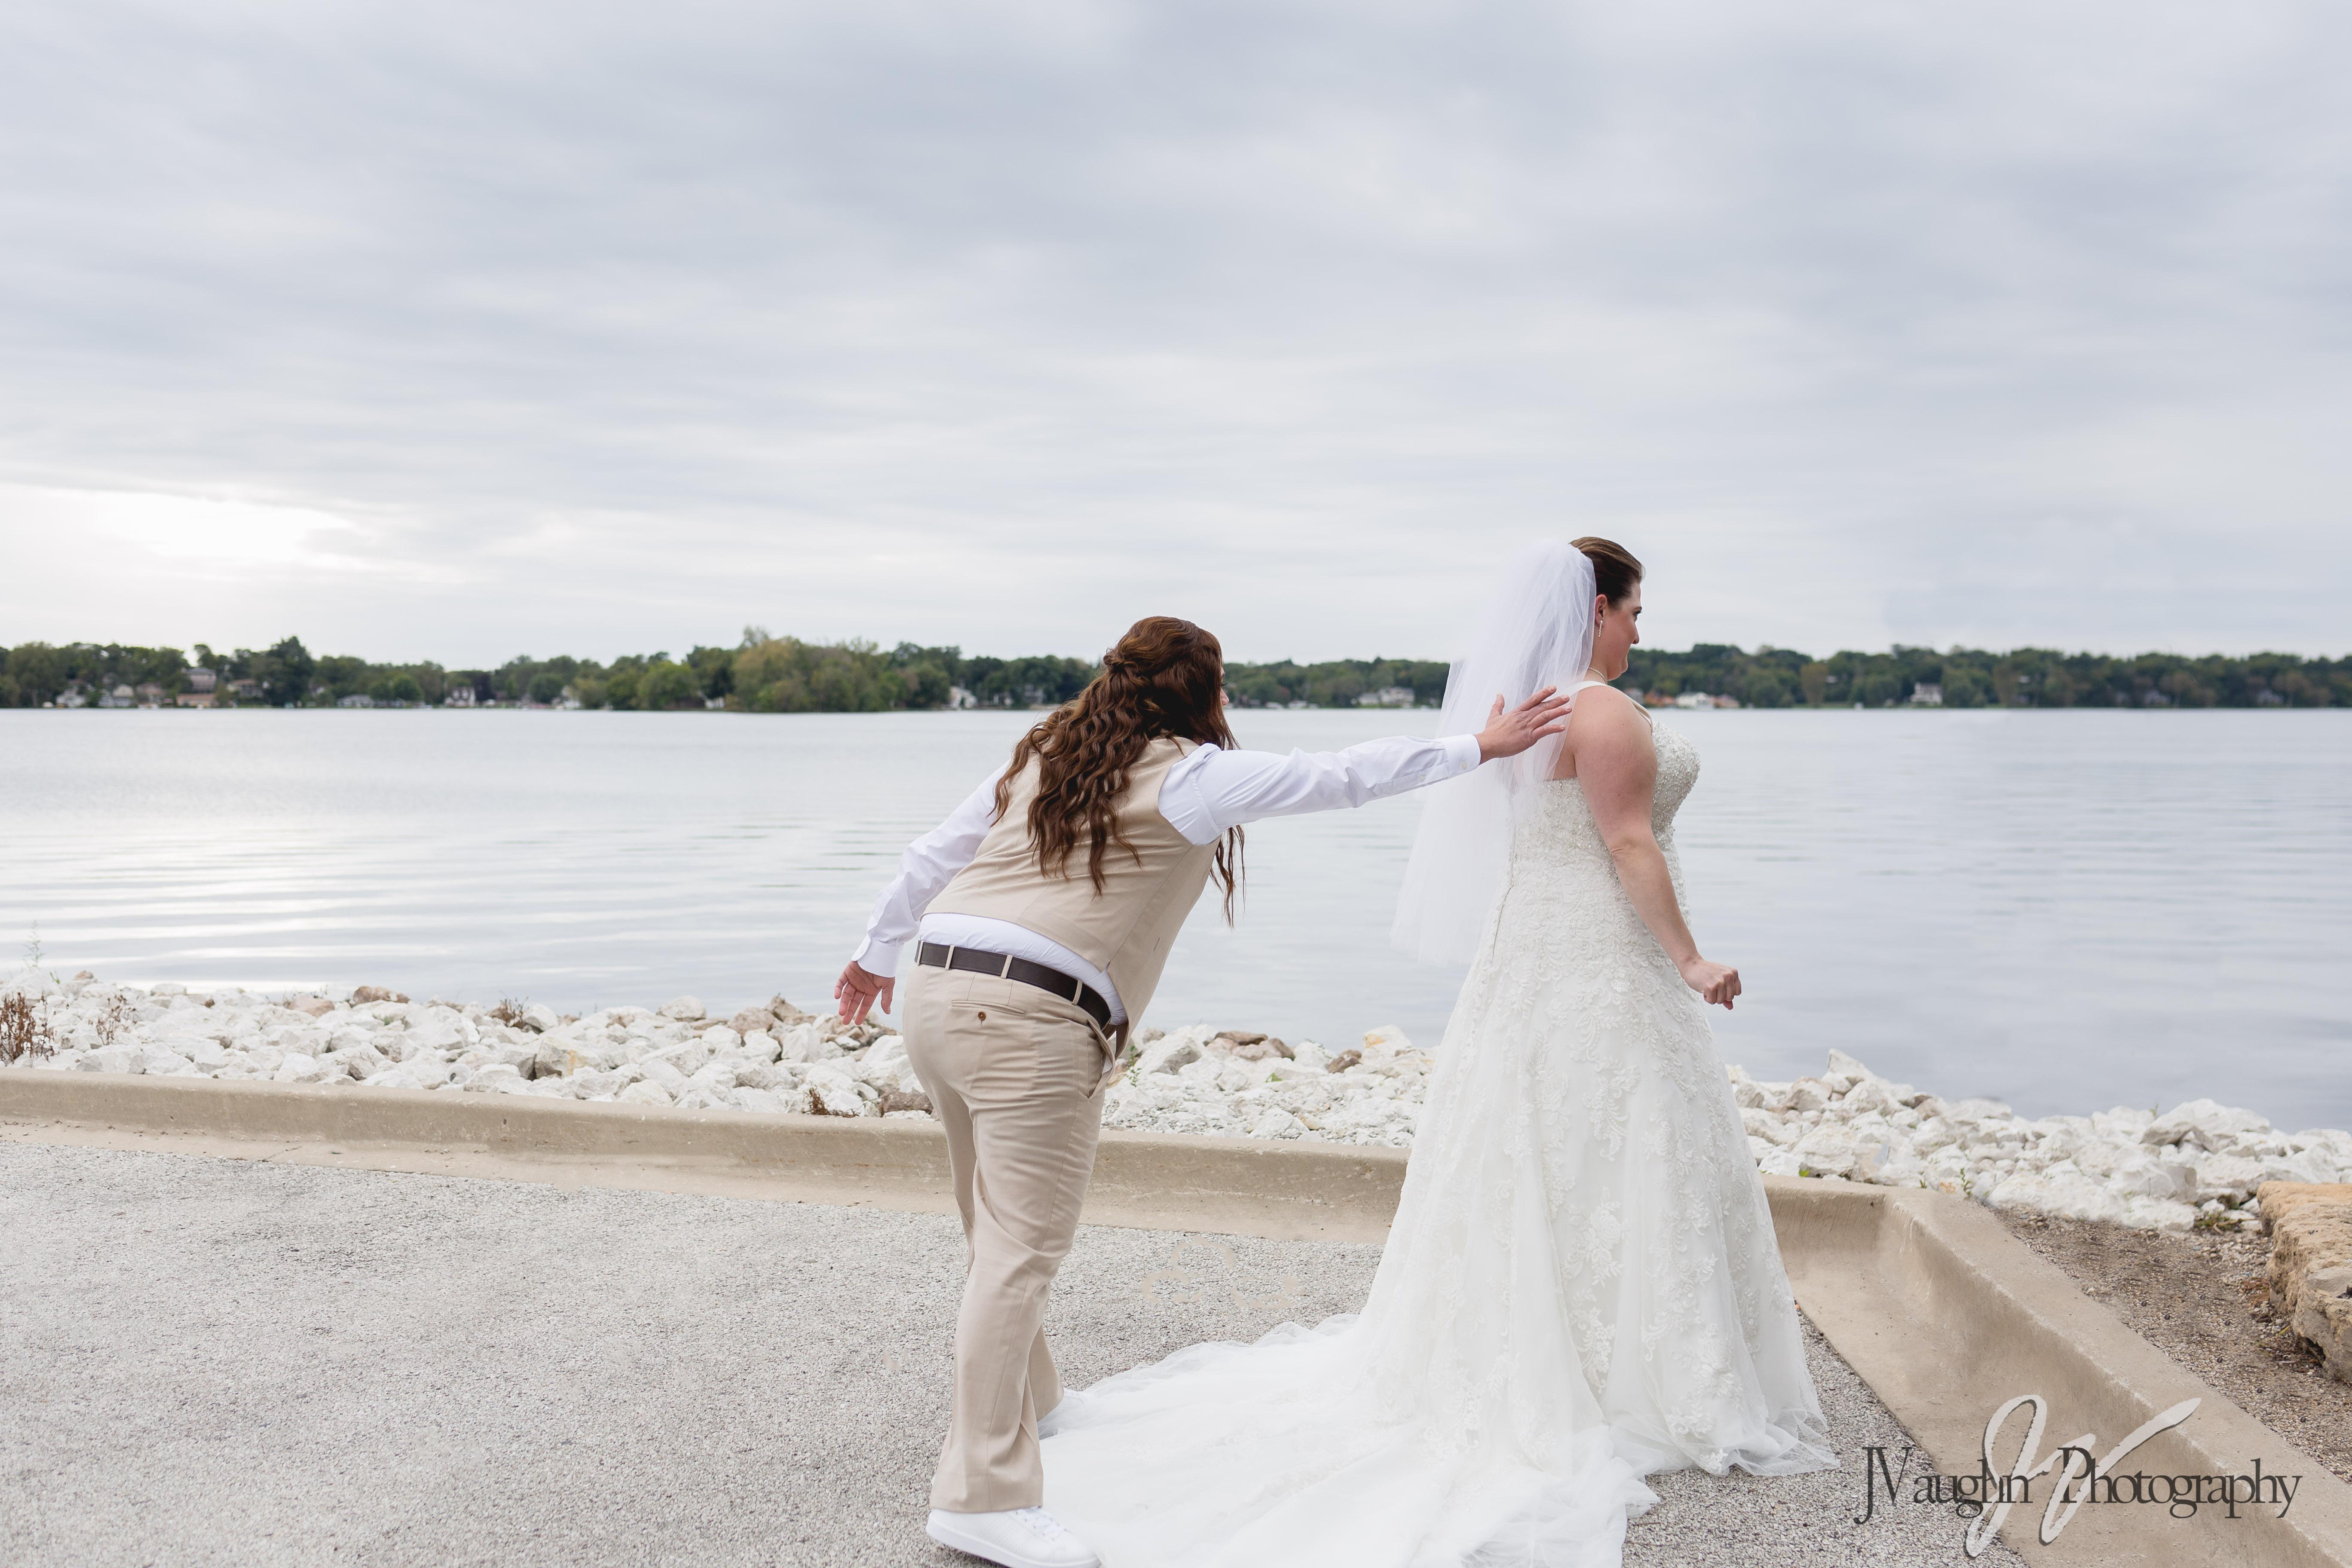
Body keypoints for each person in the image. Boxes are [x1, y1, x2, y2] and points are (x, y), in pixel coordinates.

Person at [1032, 539, 1834, 1568]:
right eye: (1635, 610)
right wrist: (1691, 957)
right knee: (1620, 1139)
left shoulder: (1524, 711)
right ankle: (1631, 1370)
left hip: (1533, 949)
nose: (1641, 630)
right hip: (1599, 951)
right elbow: (1629, 840)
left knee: (1538, 1144)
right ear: (1596, 607)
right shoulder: (1596, 711)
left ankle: (1557, 1349)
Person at [833, 615, 1575, 1568]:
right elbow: (1341, 776)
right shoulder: (1191, 777)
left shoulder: (1045, 756)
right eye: (1222, 688)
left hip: (937, 988)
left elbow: (928, 858)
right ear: (1200, 696)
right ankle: (980, 1496)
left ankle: (1036, 1406)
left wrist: (873, 954)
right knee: (1018, 1251)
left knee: (993, 1228)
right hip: (1028, 1018)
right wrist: (1481, 745)